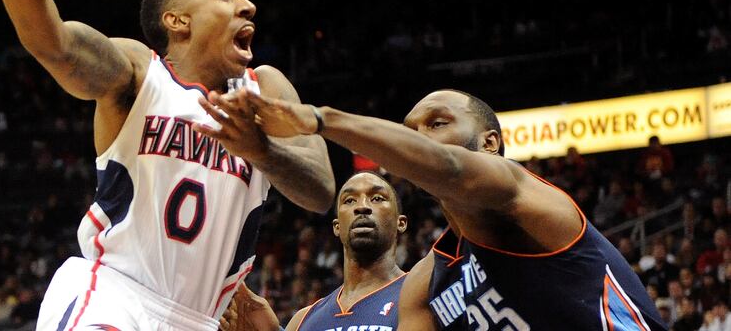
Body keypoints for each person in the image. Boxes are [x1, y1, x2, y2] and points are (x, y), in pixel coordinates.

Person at [0, 0, 335, 329]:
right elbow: (53, 44)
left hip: (197, 319)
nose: (247, 5)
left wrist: (261, 150)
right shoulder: (139, 73)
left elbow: (320, 192)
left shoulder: (266, 89)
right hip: (114, 296)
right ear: (177, 20)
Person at [231, 88, 666, 330]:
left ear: (490, 143)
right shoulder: (428, 279)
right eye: (411, 131)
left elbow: (453, 169)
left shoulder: (528, 198)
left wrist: (319, 120)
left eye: (437, 124)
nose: (420, 136)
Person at [220, 171, 408, 331]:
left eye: (377, 198)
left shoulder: (421, 293)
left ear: (401, 222)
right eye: (349, 200)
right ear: (337, 227)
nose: (362, 207)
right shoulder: (303, 320)